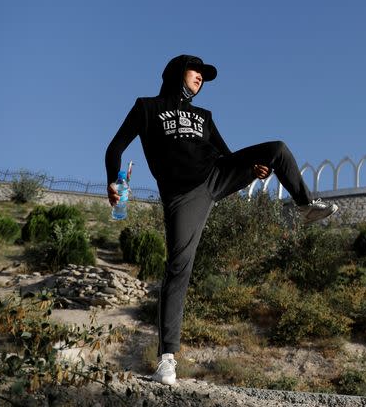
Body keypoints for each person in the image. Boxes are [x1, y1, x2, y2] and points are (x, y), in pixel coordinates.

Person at [105, 54, 337, 386]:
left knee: (277, 148)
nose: (200, 77)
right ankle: (167, 360)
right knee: (178, 269)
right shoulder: (146, 108)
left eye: (203, 74)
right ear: (176, 73)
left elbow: (227, 156)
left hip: (216, 174)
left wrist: (255, 169)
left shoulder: (204, 116)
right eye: (195, 71)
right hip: (183, 195)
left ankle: (304, 206)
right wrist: (112, 180)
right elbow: (114, 148)